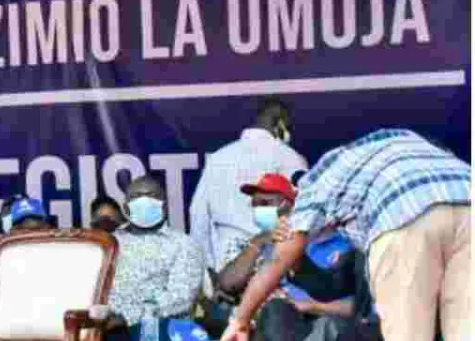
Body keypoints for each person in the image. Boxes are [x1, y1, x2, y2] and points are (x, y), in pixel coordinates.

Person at [221, 129, 470, 341]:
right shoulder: (404, 150)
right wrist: (296, 262)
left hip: (405, 216)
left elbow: (279, 259)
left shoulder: (320, 180)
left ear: (292, 201)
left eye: (268, 203)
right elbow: (335, 285)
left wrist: (240, 320)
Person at [215, 173, 360, 341]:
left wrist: (308, 306)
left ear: (289, 205)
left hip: (315, 324)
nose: (258, 210)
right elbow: (228, 284)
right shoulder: (260, 243)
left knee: (280, 311)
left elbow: (363, 306)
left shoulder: (347, 245)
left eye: (265, 204)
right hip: (260, 324)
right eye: (254, 205)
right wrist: (260, 241)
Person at [190, 99, 307, 272]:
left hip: (225, 261)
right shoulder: (288, 157)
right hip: (268, 258)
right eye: (289, 127)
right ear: (280, 124)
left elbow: (198, 215)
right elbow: (304, 213)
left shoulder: (218, 157)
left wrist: (207, 268)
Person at [103, 176, 208, 341]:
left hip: (159, 329)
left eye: (152, 195)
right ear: (125, 207)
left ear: (164, 205)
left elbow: (181, 299)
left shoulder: (184, 244)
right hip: (105, 327)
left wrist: (126, 317)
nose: (144, 200)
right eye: (136, 196)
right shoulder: (109, 243)